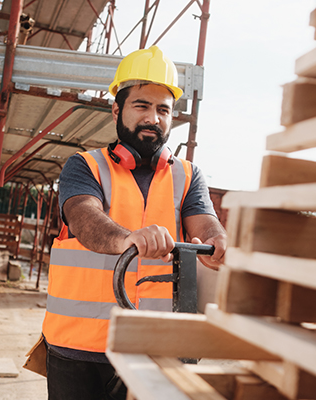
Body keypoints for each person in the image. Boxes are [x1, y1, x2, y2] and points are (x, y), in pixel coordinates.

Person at [41, 45, 227, 399]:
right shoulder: (85, 165)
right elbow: (84, 218)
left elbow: (205, 223)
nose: (153, 118)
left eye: (163, 109)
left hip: (153, 346)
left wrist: (217, 241)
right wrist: (128, 239)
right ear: (116, 110)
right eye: (141, 106)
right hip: (79, 346)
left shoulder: (188, 175)